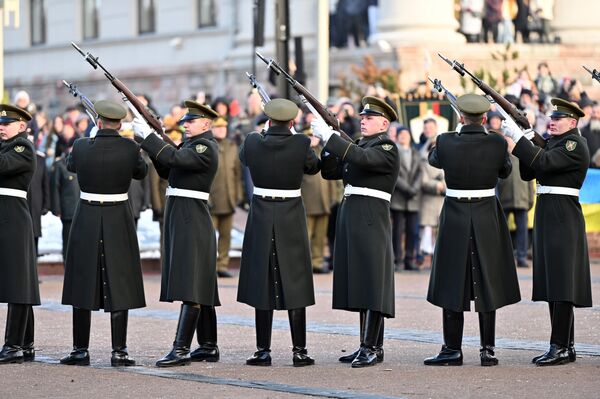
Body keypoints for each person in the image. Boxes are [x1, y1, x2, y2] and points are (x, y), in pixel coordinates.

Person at [424, 94, 521, 367]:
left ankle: (452, 349)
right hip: (486, 214)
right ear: (484, 118)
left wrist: (456, 131)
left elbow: (434, 160)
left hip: (455, 213)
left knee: (451, 279)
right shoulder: (497, 142)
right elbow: (504, 171)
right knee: (487, 279)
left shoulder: (445, 140)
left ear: (461, 116)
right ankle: (487, 349)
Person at [312, 96, 399, 368]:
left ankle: (371, 347)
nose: (363, 120)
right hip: (353, 215)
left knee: (373, 280)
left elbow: (362, 158)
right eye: (362, 117)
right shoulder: (358, 145)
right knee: (362, 279)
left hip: (371, 216)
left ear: (384, 123)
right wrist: (329, 145)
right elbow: (330, 172)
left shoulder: (386, 146)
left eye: (369, 118)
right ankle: (368, 344)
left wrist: (332, 137)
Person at [504, 98, 592, 366]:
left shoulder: (574, 144)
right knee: (554, 280)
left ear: (573, 123)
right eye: (551, 118)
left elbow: (546, 162)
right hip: (548, 213)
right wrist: (528, 134)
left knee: (562, 282)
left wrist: (517, 142)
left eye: (558, 119)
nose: (551, 121)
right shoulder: (554, 142)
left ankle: (560, 346)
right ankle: (566, 344)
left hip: (563, 215)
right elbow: (530, 172)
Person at [60, 100, 148, 367]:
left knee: (82, 280)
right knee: (119, 281)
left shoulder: (81, 145)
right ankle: (119, 351)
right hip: (118, 216)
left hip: (87, 215)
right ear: (120, 124)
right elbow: (141, 172)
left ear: (98, 122)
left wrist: (89, 139)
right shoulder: (130, 147)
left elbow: (70, 165)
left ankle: (80, 350)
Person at [137, 100, 221, 367]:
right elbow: (167, 166)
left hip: (191, 217)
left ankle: (181, 349)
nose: (185, 124)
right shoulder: (190, 145)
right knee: (200, 282)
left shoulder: (204, 146)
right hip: (183, 215)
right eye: (185, 120)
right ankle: (208, 346)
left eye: (191, 121)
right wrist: (152, 141)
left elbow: (174, 158)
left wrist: (150, 137)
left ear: (206, 124)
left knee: (191, 283)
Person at [237, 99, 320, 367]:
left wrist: (262, 132)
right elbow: (313, 167)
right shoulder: (301, 144)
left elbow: (244, 156)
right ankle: (299, 351)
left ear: (268, 120)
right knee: (294, 279)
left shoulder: (252, 141)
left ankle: (263, 350)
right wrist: (297, 136)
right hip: (290, 214)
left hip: (261, 213)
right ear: (293, 122)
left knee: (262, 279)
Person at [0, 104, 39, 364]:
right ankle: (25, 343)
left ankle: (13, 345)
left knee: (17, 282)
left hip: (13, 217)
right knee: (18, 281)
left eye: (6, 124)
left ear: (22, 126)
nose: (1, 127)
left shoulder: (22, 147)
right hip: (5, 215)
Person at [209, 117, 243, 278]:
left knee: (226, 235)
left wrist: (238, 195)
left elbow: (237, 173)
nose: (222, 130)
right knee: (209, 238)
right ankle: (209, 267)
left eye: (224, 127)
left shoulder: (231, 146)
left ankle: (222, 265)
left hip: (228, 199)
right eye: (218, 127)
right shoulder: (209, 145)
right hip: (212, 200)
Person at [391, 126, 422, 271]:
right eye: (401, 134)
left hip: (413, 199)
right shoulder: (394, 152)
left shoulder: (415, 152)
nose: (404, 137)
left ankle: (410, 259)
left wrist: (414, 188)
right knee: (397, 231)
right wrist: (408, 189)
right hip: (398, 197)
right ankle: (397, 260)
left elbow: (420, 173)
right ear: (397, 137)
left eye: (406, 134)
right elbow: (394, 174)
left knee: (412, 231)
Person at [50, 141, 80, 262]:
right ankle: (67, 263)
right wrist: (57, 208)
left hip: (82, 209)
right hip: (68, 209)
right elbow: (55, 188)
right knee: (68, 240)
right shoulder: (60, 165)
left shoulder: (83, 163)